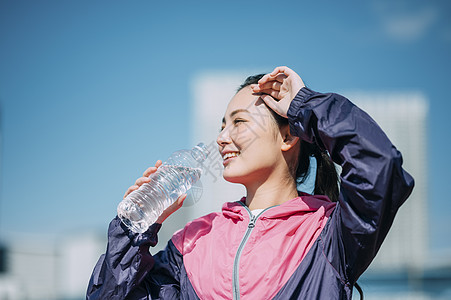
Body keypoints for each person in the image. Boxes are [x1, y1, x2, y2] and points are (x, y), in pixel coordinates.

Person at [86, 66, 414, 299]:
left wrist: (304, 106)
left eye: (239, 122)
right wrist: (132, 231)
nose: (222, 139)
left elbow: (379, 166)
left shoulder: (328, 233)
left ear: (288, 136)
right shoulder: (191, 242)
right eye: (221, 126)